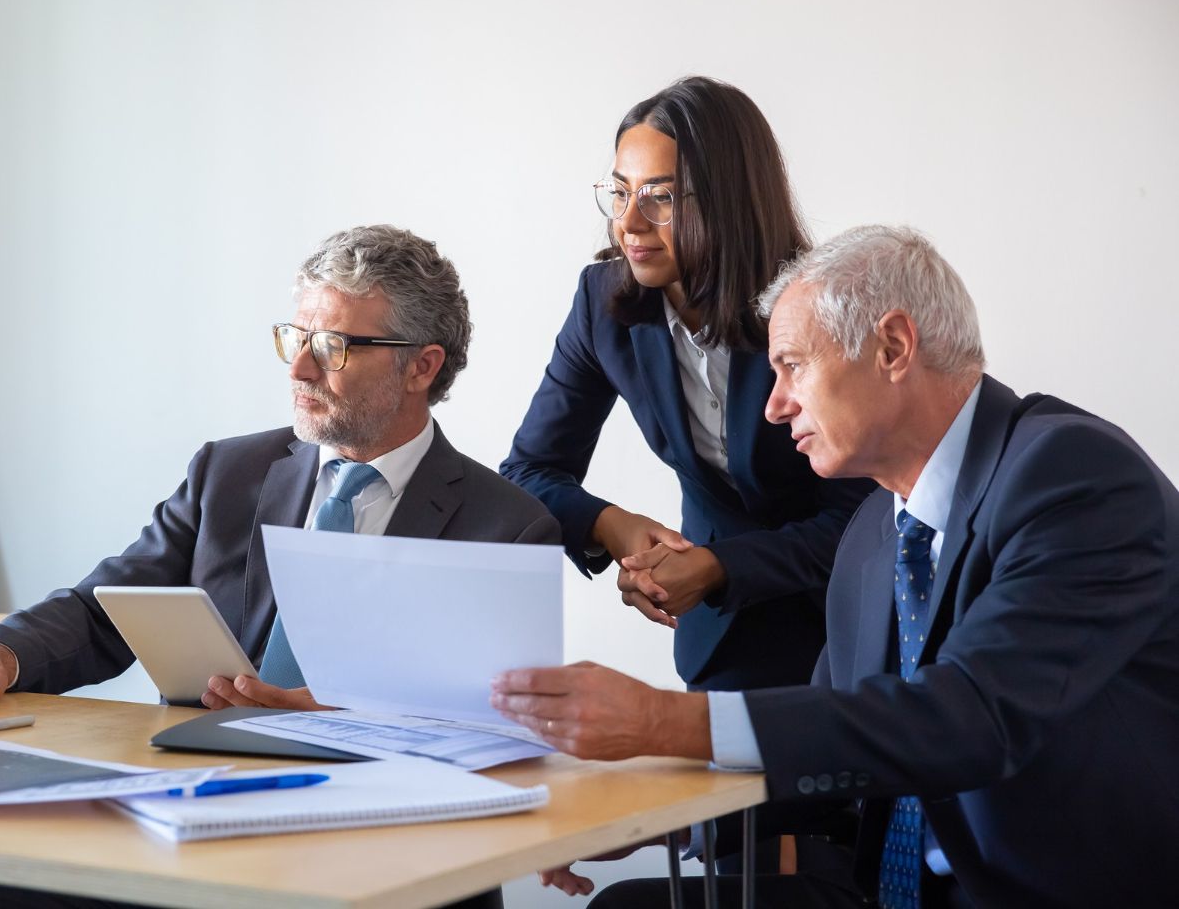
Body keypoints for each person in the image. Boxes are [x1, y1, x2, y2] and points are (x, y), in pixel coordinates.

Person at [0, 224, 557, 909]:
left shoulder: (506, 528)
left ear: (422, 366)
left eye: (333, 347)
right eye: (296, 338)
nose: (300, 370)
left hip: (382, 852)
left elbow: (501, 735)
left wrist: (343, 715)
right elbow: (103, 608)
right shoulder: (230, 472)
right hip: (188, 824)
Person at [492, 225, 1179, 907]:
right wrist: (651, 816)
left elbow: (970, 717)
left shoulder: (1073, 477)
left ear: (892, 347)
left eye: (792, 365)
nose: (774, 404)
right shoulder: (872, 536)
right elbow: (834, 758)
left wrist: (667, 720)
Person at [501, 76, 873, 697]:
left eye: (660, 198)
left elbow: (869, 513)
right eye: (618, 194)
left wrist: (723, 565)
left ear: (726, 200)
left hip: (854, 628)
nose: (630, 223)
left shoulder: (820, 308)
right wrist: (613, 526)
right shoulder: (603, 305)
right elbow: (528, 471)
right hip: (725, 639)